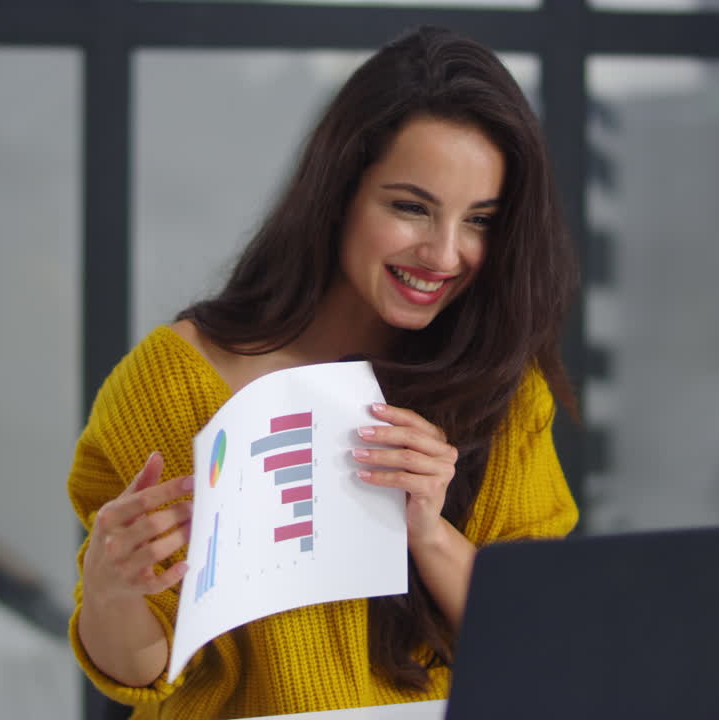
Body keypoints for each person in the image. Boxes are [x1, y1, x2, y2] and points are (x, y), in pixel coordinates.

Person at [67, 25, 579, 720]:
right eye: (411, 208)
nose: (444, 254)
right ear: (339, 193)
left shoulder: (503, 385)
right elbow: (140, 671)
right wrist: (112, 590)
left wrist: (429, 533)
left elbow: (541, 645)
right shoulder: (175, 381)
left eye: (480, 221)